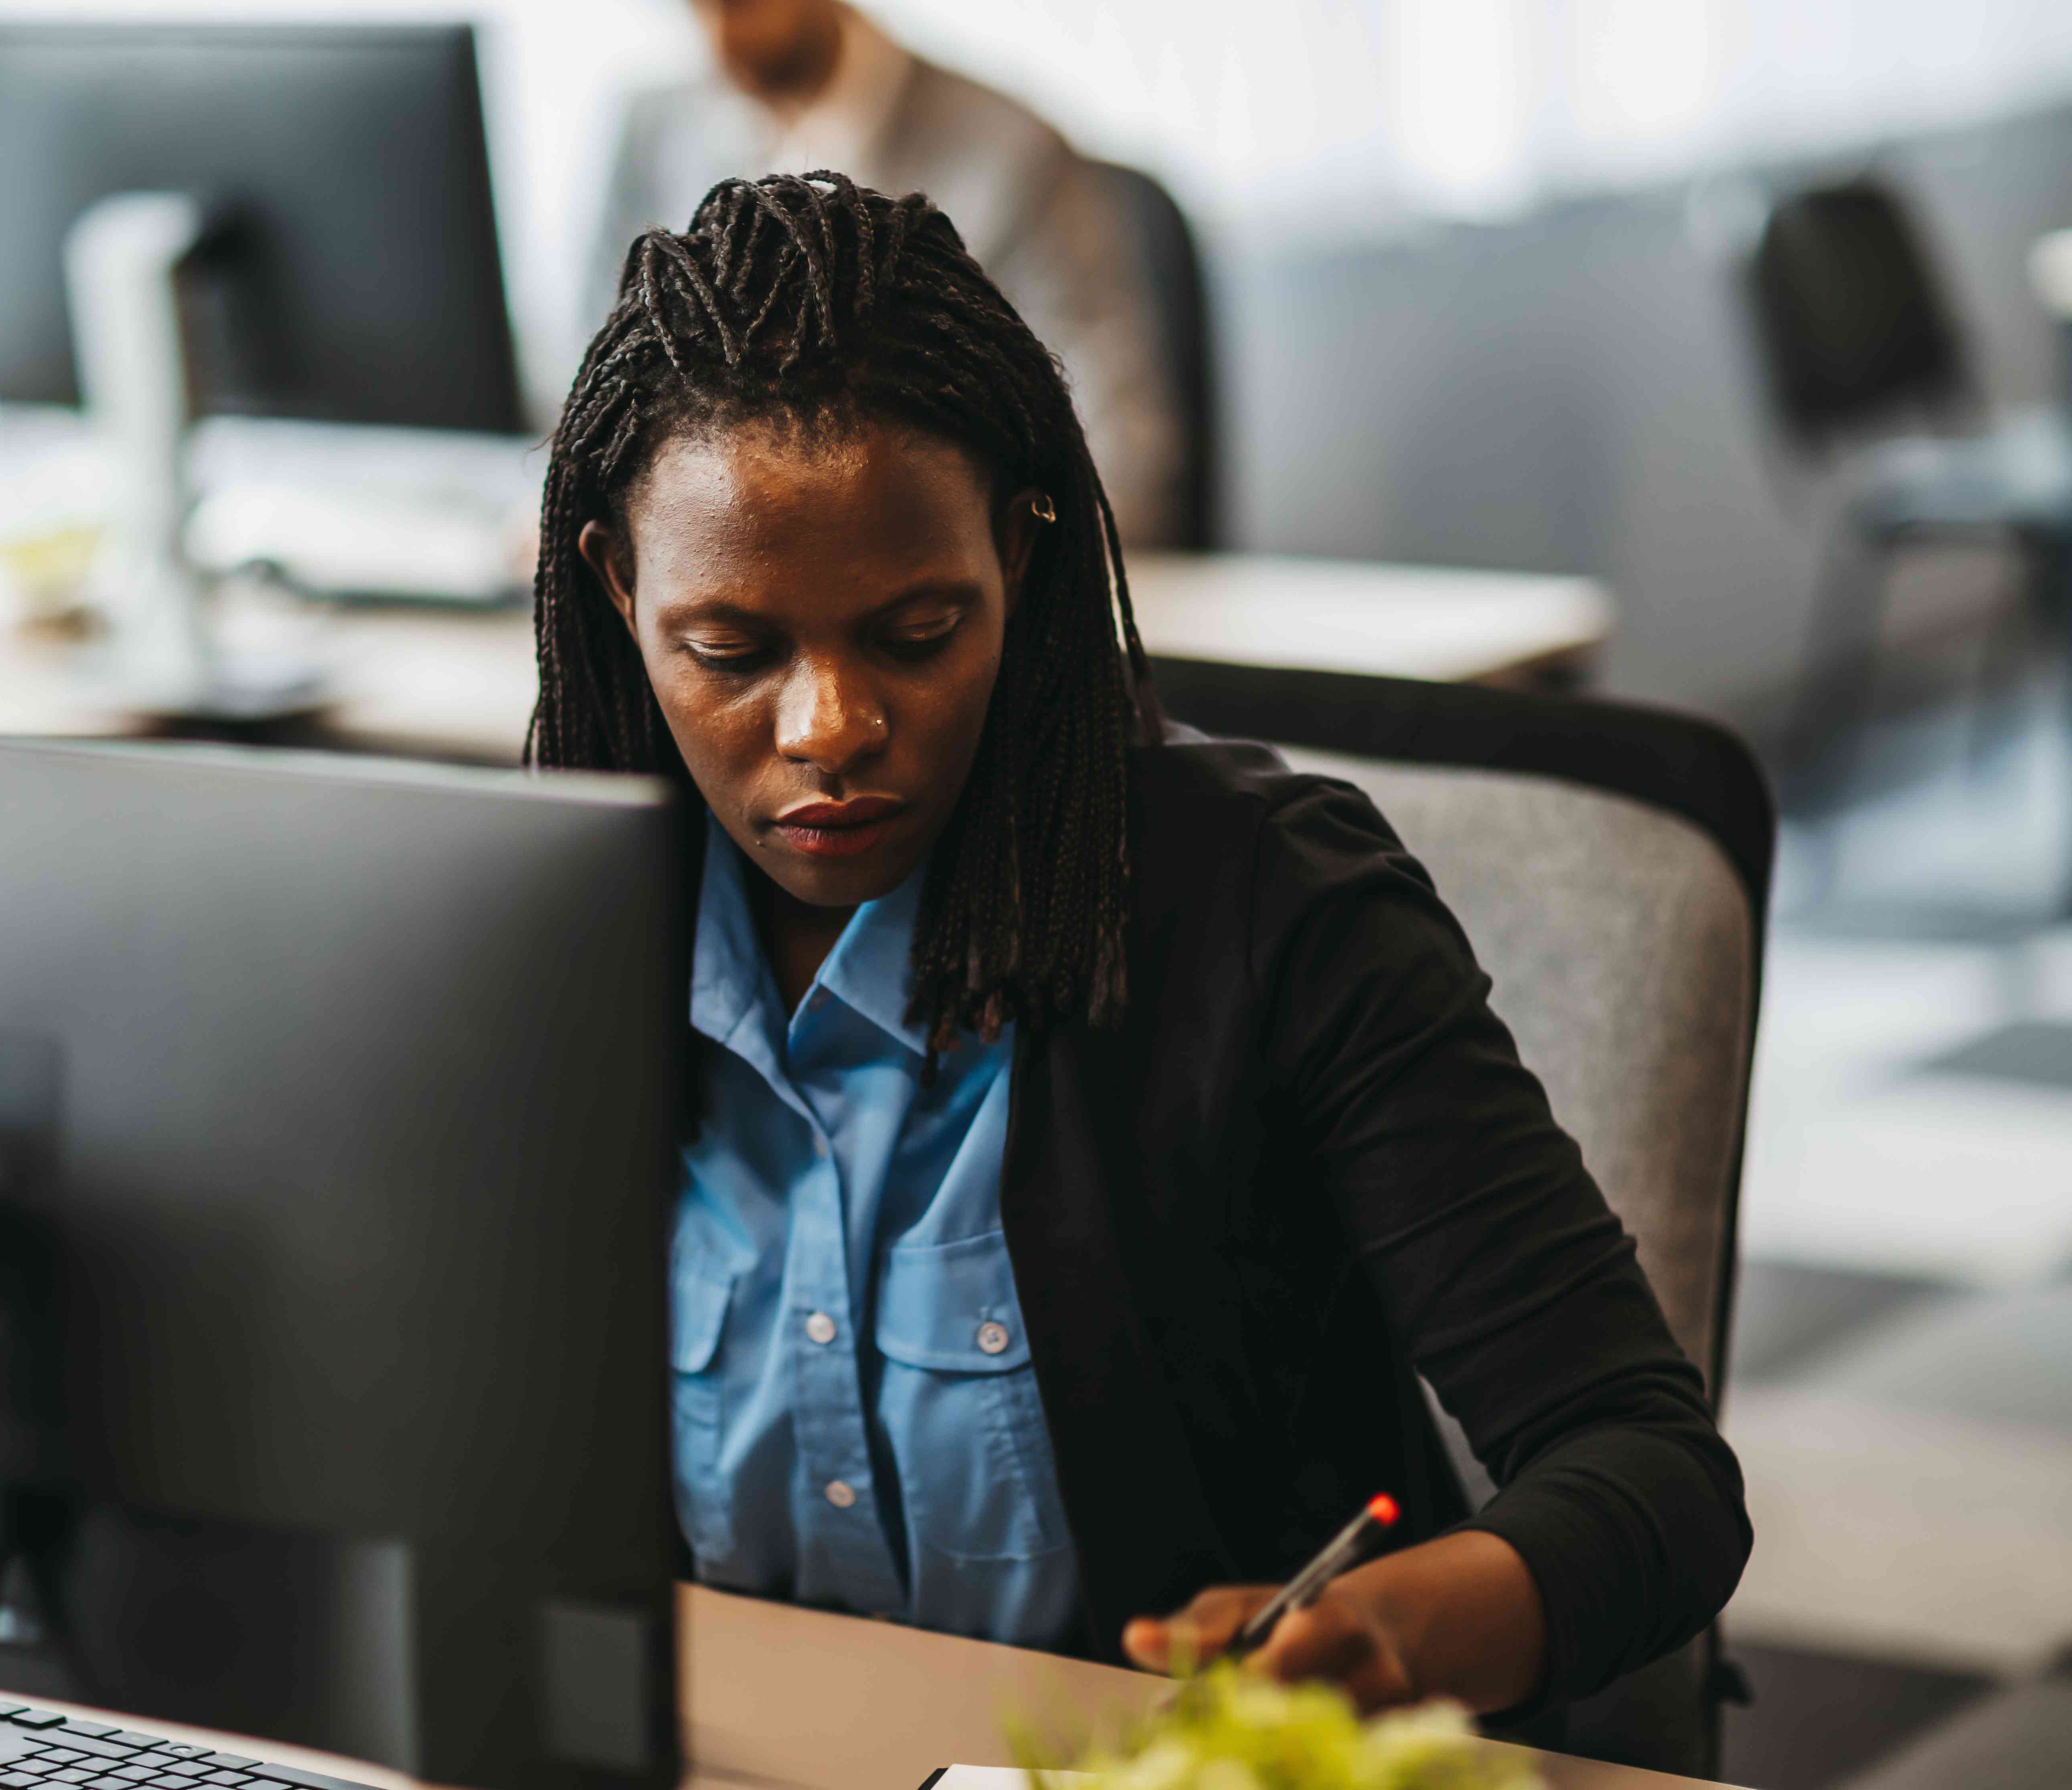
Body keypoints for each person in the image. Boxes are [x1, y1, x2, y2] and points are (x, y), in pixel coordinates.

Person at [532, 174, 1749, 1720]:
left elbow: (1652, 1470)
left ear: (1024, 562)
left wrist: (1408, 1634)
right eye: (732, 651)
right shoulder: (551, 943)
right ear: (619, 591)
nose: (829, 729)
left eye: (918, 633)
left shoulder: (1272, 909)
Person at [592, 0, 1187, 546]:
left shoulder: (1013, 150)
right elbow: (598, 386)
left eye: (743, 5)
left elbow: (1119, 442)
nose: (719, 43)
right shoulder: (653, 133)